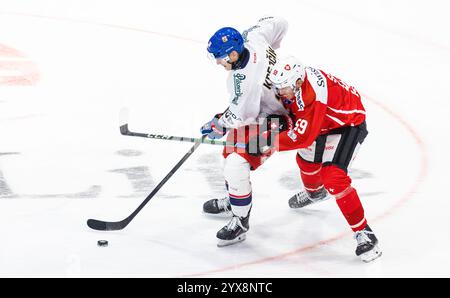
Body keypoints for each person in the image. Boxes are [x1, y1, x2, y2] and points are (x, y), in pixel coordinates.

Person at [250, 56, 381, 262]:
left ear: (299, 82)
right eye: (278, 87)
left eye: (283, 88)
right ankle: (314, 194)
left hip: (347, 125)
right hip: (321, 121)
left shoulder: (311, 96)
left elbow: (302, 137)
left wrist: (267, 142)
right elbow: (291, 116)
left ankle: (365, 233)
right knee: (306, 163)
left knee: (333, 178)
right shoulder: (294, 83)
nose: (279, 92)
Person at [201, 16, 289, 247]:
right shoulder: (254, 37)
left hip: (279, 119)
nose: (219, 64)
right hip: (265, 110)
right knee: (229, 154)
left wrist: (218, 125)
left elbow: (241, 116)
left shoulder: (242, 80)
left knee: (236, 162)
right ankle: (236, 200)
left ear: (232, 55)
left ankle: (240, 223)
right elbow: (279, 22)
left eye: (220, 59)